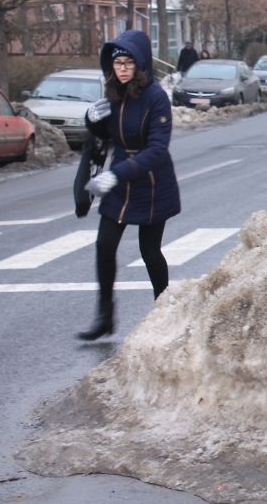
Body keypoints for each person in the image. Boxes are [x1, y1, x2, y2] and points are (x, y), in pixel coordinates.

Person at [76, 29, 181, 341]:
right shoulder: (114, 96)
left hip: (151, 182)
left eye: (127, 63)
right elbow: (101, 139)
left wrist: (116, 174)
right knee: (104, 246)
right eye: (116, 63)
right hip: (121, 182)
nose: (121, 69)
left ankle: (164, 312)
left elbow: (157, 149)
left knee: (149, 250)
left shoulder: (156, 98)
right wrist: (92, 119)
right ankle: (105, 315)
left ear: (140, 64)